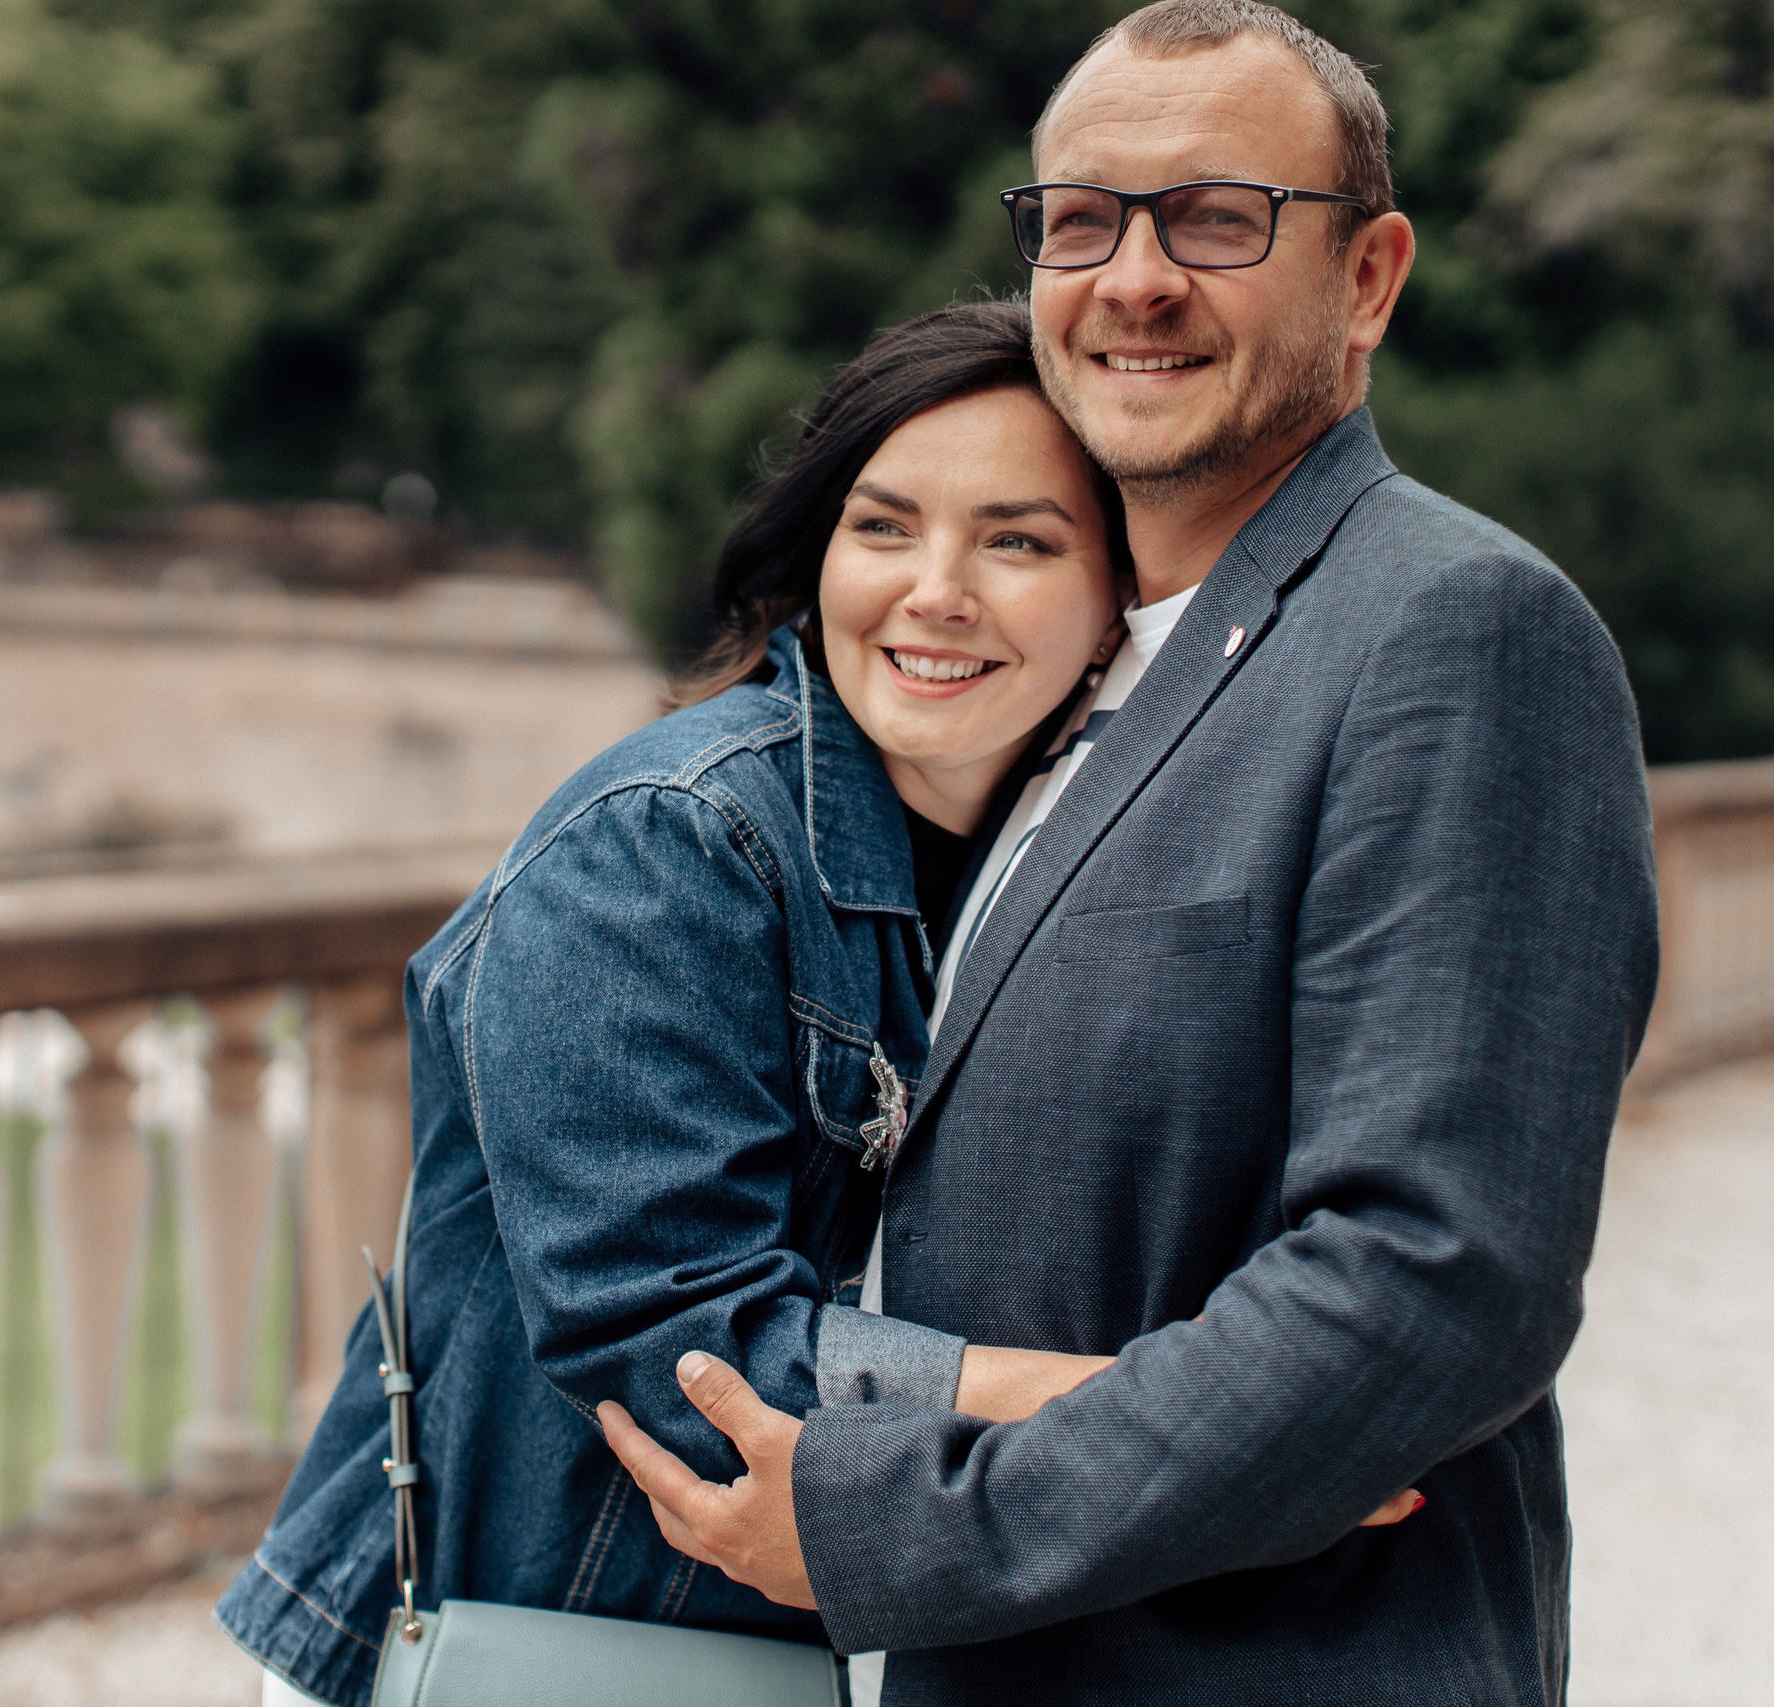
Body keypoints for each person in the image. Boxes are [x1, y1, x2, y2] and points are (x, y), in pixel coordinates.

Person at [598, 4, 1661, 1704]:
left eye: (1219, 219)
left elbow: (1433, 1280)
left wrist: (906, 1531)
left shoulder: (1454, 631)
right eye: (1082, 221)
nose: (1136, 280)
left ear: (1369, 279)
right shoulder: (1070, 674)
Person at [216, 301, 1422, 1707]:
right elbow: (680, 1358)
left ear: (1122, 604)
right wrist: (1191, 1430)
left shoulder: (1047, 877)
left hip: (787, 1666)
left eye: (1019, 542)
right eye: (883, 528)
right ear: (819, 557)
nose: (936, 591)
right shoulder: (667, 845)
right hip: (521, 1651)